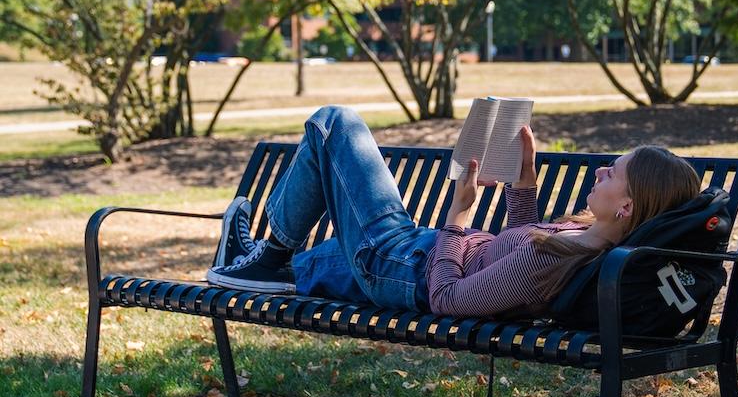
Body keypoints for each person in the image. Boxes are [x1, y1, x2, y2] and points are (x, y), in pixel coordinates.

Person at [207, 105, 701, 318]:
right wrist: (523, 187)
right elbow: (514, 258)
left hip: (403, 267)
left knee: (333, 124)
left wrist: (459, 217)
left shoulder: (560, 257)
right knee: (326, 262)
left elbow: (445, 297)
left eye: (611, 175)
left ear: (629, 206)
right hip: (413, 256)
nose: (599, 174)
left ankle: (269, 254)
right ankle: (257, 259)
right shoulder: (587, 243)